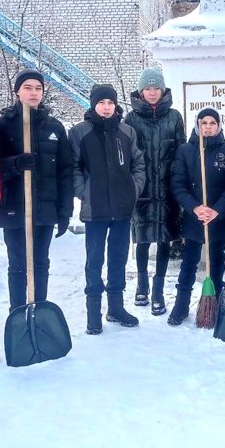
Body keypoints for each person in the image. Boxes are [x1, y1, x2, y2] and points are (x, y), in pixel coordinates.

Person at [0, 69, 73, 312]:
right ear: (17, 91)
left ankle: (38, 310)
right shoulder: (2, 127)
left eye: (38, 88)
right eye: (28, 87)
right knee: (17, 264)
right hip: (14, 209)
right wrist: (14, 164)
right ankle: (17, 312)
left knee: (40, 263)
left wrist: (64, 211)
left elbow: (65, 171)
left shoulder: (55, 127)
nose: (33, 93)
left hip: (46, 209)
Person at [69, 84, 146, 334]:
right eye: (101, 103)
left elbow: (138, 164)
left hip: (122, 209)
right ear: (93, 104)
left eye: (110, 103)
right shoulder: (80, 132)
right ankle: (94, 313)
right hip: (95, 210)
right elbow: (74, 168)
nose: (106, 107)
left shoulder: (126, 132)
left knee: (118, 258)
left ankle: (116, 308)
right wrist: (85, 193)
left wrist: (132, 190)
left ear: (115, 105)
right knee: (94, 261)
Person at [167, 108, 225, 325]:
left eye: (212, 123)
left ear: (218, 126)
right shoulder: (186, 150)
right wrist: (194, 208)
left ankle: (216, 303)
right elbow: (178, 184)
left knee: (216, 262)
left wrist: (217, 209)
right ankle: (181, 305)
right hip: (195, 218)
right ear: (197, 125)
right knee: (189, 262)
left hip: (218, 218)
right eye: (204, 123)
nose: (208, 127)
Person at [124, 68, 186, 315]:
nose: (152, 92)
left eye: (156, 88)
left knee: (164, 239)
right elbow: (126, 154)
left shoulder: (174, 117)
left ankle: (158, 290)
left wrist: (179, 178)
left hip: (168, 187)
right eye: (147, 88)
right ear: (141, 91)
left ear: (162, 90)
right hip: (142, 187)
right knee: (142, 238)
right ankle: (142, 285)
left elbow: (181, 150)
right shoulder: (130, 119)